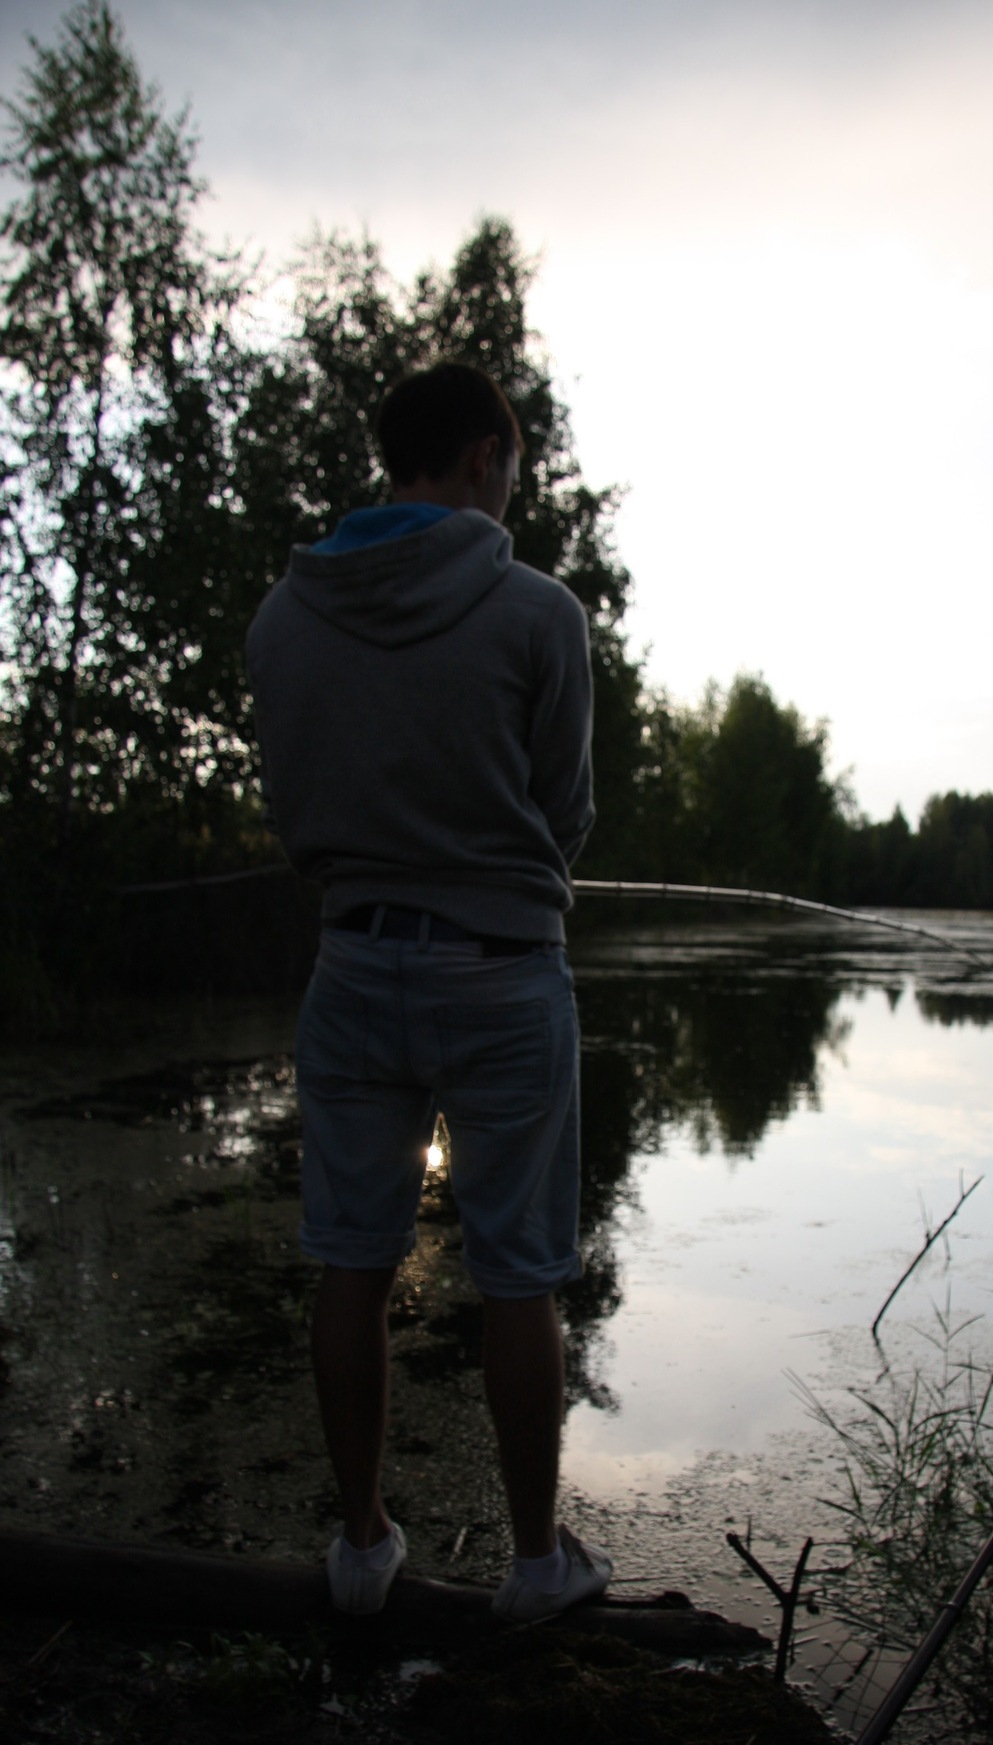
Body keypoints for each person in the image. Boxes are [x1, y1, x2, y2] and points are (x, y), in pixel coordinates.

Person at [247, 361, 612, 1622]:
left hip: (352, 964)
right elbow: (564, 813)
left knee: (351, 1260)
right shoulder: (540, 614)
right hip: (505, 972)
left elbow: (292, 805)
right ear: (481, 457)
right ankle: (535, 1564)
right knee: (518, 1274)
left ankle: (361, 1549)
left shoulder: (281, 620)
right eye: (510, 467)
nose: (511, 489)